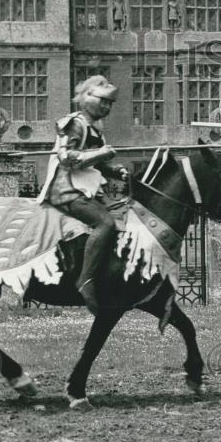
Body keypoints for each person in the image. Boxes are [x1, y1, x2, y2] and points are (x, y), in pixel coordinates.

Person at [37, 76, 129, 314]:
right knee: (105, 223)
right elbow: (67, 158)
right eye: (103, 101)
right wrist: (100, 154)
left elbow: (95, 164)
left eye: (110, 104)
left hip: (84, 187)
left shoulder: (95, 128)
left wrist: (115, 170)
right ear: (87, 97)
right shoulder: (74, 124)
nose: (107, 108)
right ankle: (85, 281)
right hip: (65, 188)